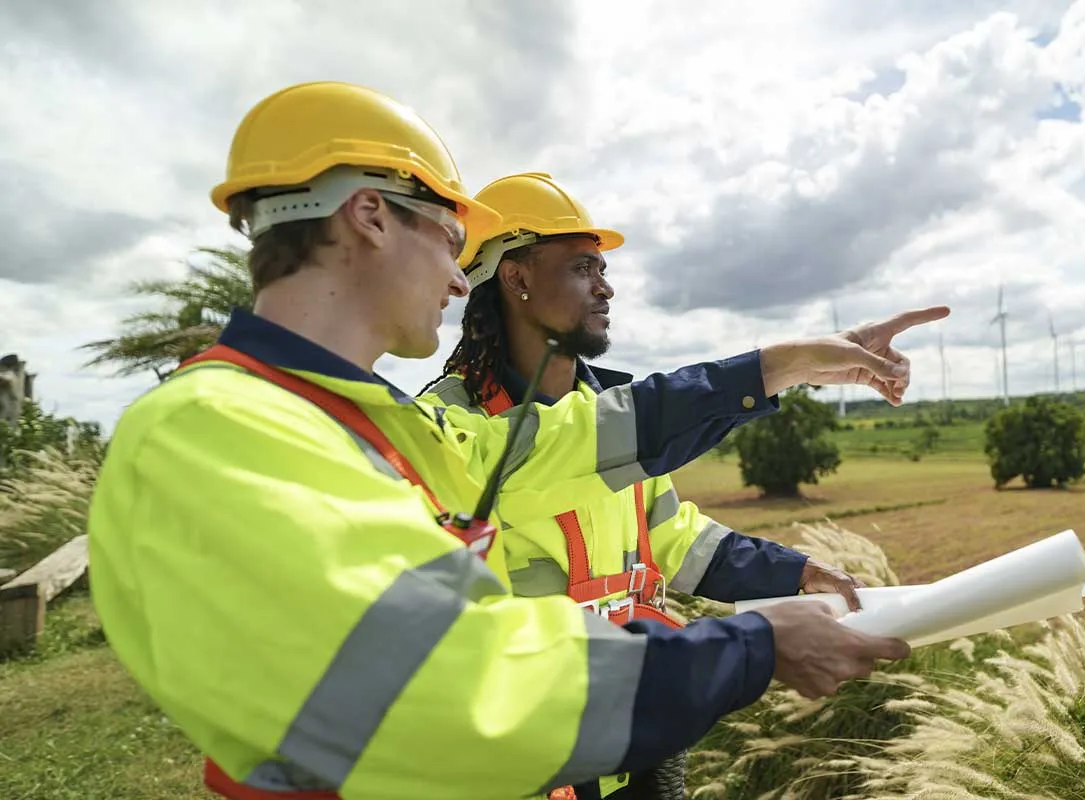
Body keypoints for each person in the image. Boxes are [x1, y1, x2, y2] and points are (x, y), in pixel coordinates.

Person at [85, 80, 939, 800]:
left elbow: (593, 448)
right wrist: (755, 647)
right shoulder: (213, 433)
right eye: (452, 243)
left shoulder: (387, 428)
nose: (460, 277)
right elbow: (446, 687)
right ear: (370, 216)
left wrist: (790, 364)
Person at [417, 172, 875, 798]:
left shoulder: (608, 408)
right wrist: (782, 364)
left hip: (641, 726)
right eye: (582, 267)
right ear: (516, 277)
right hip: (534, 748)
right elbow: (583, 439)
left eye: (602, 268)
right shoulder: (453, 427)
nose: (606, 287)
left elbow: (669, 533)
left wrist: (794, 572)